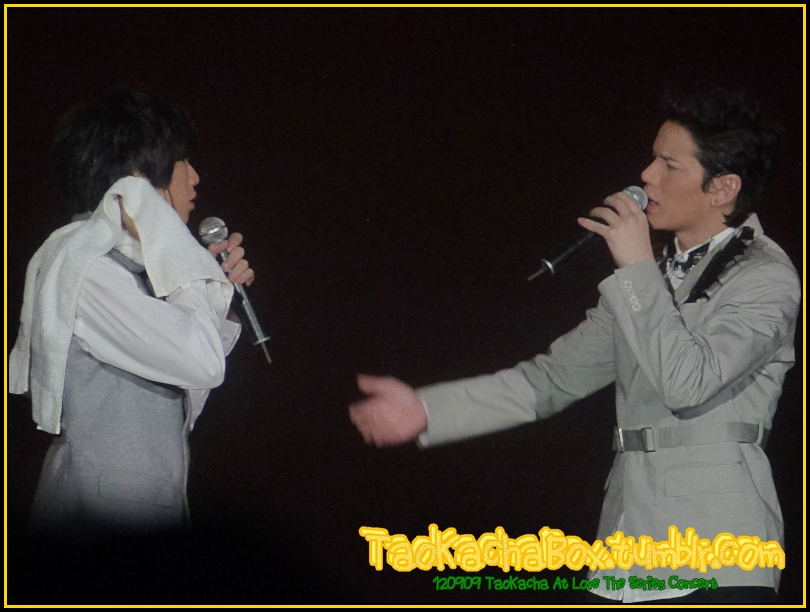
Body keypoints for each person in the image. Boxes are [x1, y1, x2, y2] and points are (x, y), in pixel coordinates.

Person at [348, 82, 800, 603]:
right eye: (652, 158)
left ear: (722, 188)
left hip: (719, 553)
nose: (647, 176)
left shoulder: (765, 277)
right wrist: (429, 410)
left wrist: (636, 267)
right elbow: (551, 379)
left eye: (669, 165)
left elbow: (688, 384)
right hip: (628, 550)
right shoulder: (651, 279)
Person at [8, 88, 255, 541]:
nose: (195, 178)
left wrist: (212, 288)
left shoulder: (130, 268)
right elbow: (201, 361)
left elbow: (188, 393)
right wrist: (189, 272)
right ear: (139, 178)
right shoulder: (88, 268)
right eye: (181, 161)